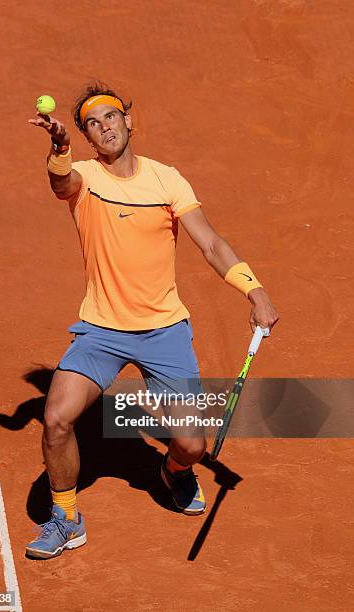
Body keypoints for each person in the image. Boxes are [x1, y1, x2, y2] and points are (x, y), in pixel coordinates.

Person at [26, 82, 279, 559]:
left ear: (129, 121)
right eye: (92, 125)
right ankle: (65, 519)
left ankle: (175, 474)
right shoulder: (83, 177)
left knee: (191, 446)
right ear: (87, 137)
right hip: (101, 330)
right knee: (57, 418)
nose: (105, 128)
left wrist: (254, 288)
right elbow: (61, 184)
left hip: (164, 331)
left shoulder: (167, 180)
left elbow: (210, 243)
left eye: (111, 117)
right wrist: (58, 148)